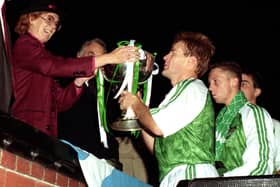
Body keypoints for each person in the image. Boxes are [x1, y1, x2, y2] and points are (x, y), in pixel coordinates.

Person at [10, 0, 139, 137]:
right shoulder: (24, 45)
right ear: (31, 18)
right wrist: (108, 58)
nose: (53, 26)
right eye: (49, 18)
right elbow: (54, 66)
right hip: (24, 132)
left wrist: (79, 81)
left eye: (56, 23)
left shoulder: (43, 55)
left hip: (42, 136)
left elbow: (59, 103)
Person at [119, 31, 219, 187]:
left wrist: (136, 105)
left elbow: (157, 127)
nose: (165, 57)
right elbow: (157, 147)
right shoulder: (178, 96)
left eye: (173, 53)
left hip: (191, 175)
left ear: (191, 62)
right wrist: (138, 111)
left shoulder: (192, 88)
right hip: (174, 176)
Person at [208, 60, 275, 176]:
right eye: (209, 83)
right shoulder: (219, 120)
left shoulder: (253, 113)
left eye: (216, 82)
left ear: (234, 82)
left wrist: (222, 181)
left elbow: (260, 166)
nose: (210, 88)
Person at [58, 38, 119, 163]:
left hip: (105, 161)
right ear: (78, 56)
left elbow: (116, 127)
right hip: (73, 158)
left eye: (102, 58)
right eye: (91, 56)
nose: (97, 62)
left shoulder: (109, 93)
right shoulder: (64, 83)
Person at [241, 69, 280, 174]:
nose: (238, 88)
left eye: (243, 84)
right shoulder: (225, 124)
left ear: (256, 91)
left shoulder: (275, 126)